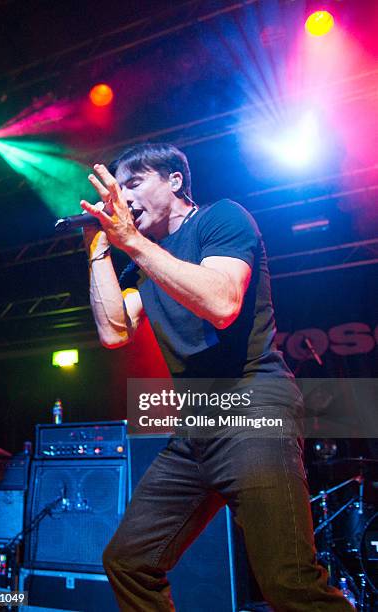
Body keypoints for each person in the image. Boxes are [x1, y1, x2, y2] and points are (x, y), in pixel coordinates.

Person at [80, 143, 353, 611]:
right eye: (116, 189)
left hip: (253, 405)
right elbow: (113, 331)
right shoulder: (146, 259)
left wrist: (134, 244)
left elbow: (222, 303)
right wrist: (99, 248)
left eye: (132, 184)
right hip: (197, 424)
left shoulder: (221, 218)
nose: (121, 198)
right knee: (129, 561)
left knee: (289, 584)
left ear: (175, 181)